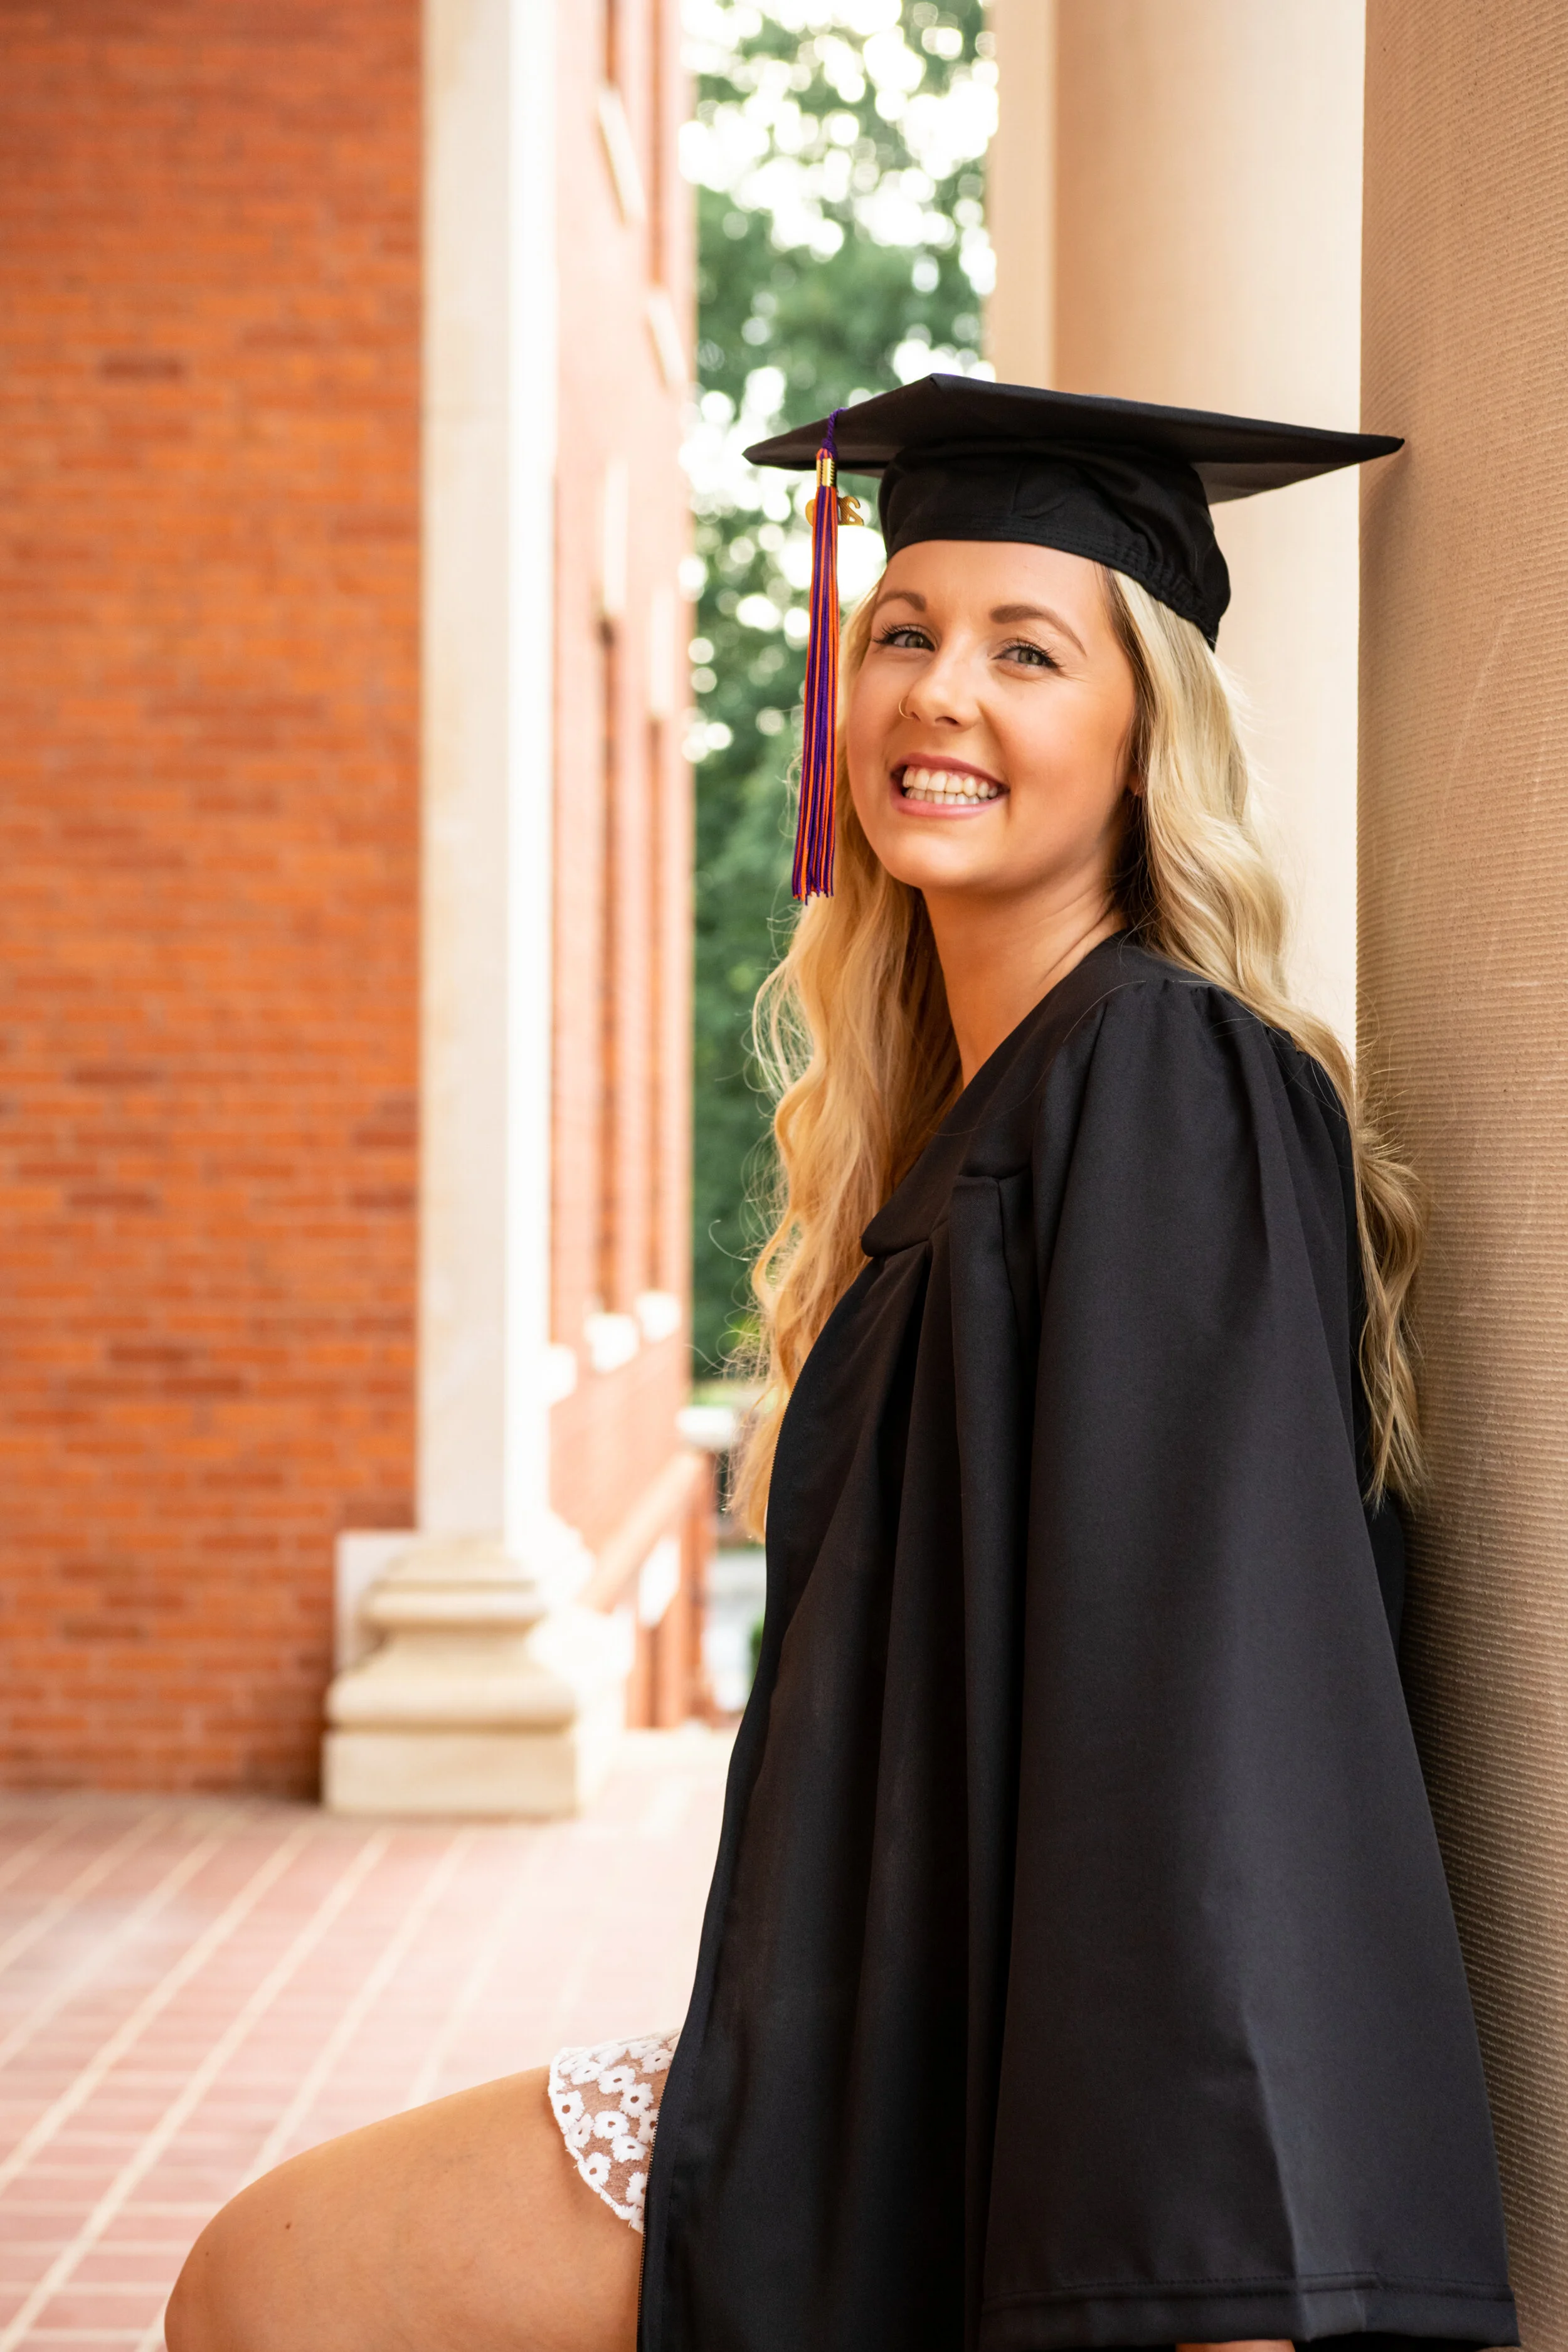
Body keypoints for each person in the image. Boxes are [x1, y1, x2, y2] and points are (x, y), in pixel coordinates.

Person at [167, 378, 1516, 2352]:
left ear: (1145, 730)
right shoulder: (977, 1105)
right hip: (877, 2072)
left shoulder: (1156, 1077)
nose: (936, 692)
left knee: (275, 2285)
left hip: (1018, 2143)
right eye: (901, 631)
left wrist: (1215, 2298)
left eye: (1025, 649)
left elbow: (1206, 1700)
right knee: (264, 2280)